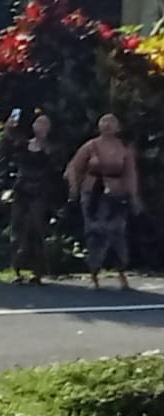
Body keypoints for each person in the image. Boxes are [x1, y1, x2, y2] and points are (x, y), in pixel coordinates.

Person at [66, 114, 138, 290]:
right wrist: (74, 189)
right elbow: (74, 167)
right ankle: (94, 273)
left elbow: (130, 173)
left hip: (116, 196)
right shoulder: (90, 146)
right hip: (93, 194)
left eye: (111, 122)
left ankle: (121, 272)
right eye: (104, 122)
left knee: (118, 233)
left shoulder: (123, 148)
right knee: (94, 233)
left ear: (118, 127)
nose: (107, 125)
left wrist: (133, 195)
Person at [7, 113, 60, 286]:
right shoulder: (23, 145)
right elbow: (3, 150)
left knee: (35, 229)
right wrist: (8, 129)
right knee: (17, 227)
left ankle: (37, 271)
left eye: (45, 124)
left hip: (39, 191)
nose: (41, 127)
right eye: (39, 123)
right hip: (22, 189)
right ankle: (17, 270)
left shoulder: (52, 148)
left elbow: (55, 167)